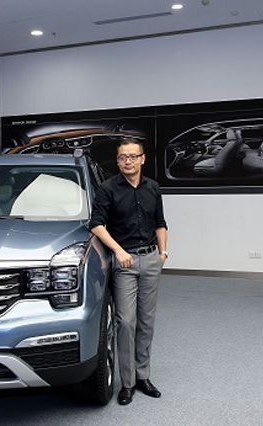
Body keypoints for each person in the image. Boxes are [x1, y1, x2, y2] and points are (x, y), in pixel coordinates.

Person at [89, 139, 168, 406]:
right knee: (125, 322)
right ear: (118, 160)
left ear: (143, 159)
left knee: (146, 321)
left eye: (133, 156)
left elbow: (160, 223)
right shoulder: (107, 189)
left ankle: (143, 376)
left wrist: (163, 254)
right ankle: (128, 382)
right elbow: (96, 225)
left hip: (151, 260)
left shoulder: (153, 187)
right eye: (123, 157)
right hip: (124, 263)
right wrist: (118, 251)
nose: (128, 161)